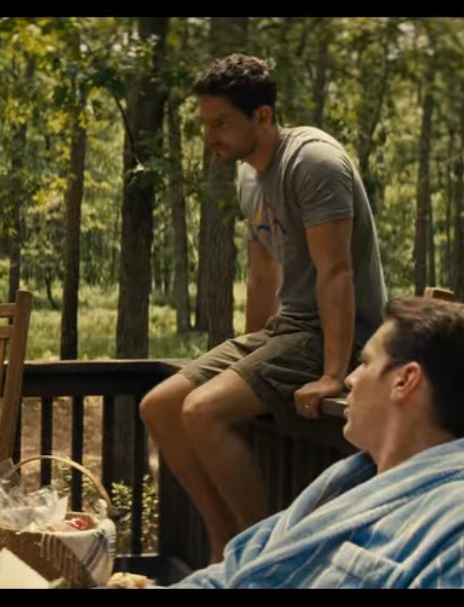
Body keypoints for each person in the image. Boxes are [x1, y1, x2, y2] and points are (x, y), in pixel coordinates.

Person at [138, 53, 389, 560]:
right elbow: (261, 273)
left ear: (263, 116)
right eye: (206, 124)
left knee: (202, 410)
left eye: (222, 123)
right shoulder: (248, 177)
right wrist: (250, 358)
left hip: (334, 333)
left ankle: (271, 557)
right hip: (286, 331)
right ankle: (224, 544)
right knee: (159, 406)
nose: (210, 137)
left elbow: (336, 272)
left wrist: (334, 374)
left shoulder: (312, 162)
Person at [149, 297, 464, 588]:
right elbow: (239, 567)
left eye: (365, 363)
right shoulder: (350, 481)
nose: (350, 379)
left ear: (405, 381)